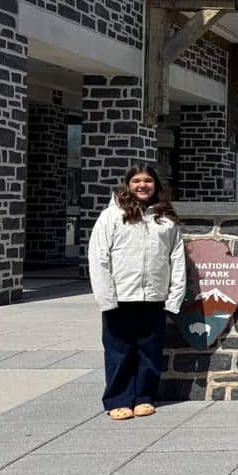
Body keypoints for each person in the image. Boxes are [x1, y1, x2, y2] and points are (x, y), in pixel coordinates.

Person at [88, 164, 185, 421]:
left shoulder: (166, 220)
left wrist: (173, 297)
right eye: (137, 181)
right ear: (128, 184)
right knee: (119, 352)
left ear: (156, 185)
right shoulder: (111, 216)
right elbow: (99, 259)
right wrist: (105, 297)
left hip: (153, 297)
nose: (143, 185)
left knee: (149, 352)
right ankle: (118, 399)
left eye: (148, 181)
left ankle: (143, 397)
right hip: (120, 297)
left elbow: (177, 260)